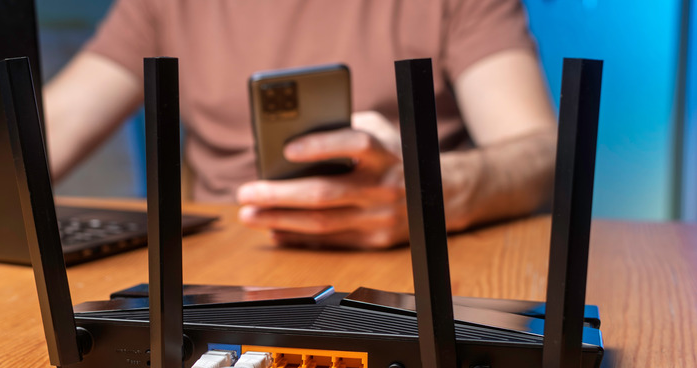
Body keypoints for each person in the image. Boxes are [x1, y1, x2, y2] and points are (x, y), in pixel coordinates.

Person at [44, 0, 557, 250]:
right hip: (222, 268)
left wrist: (434, 190)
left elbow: (544, 154)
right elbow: (53, 124)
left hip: (411, 262)